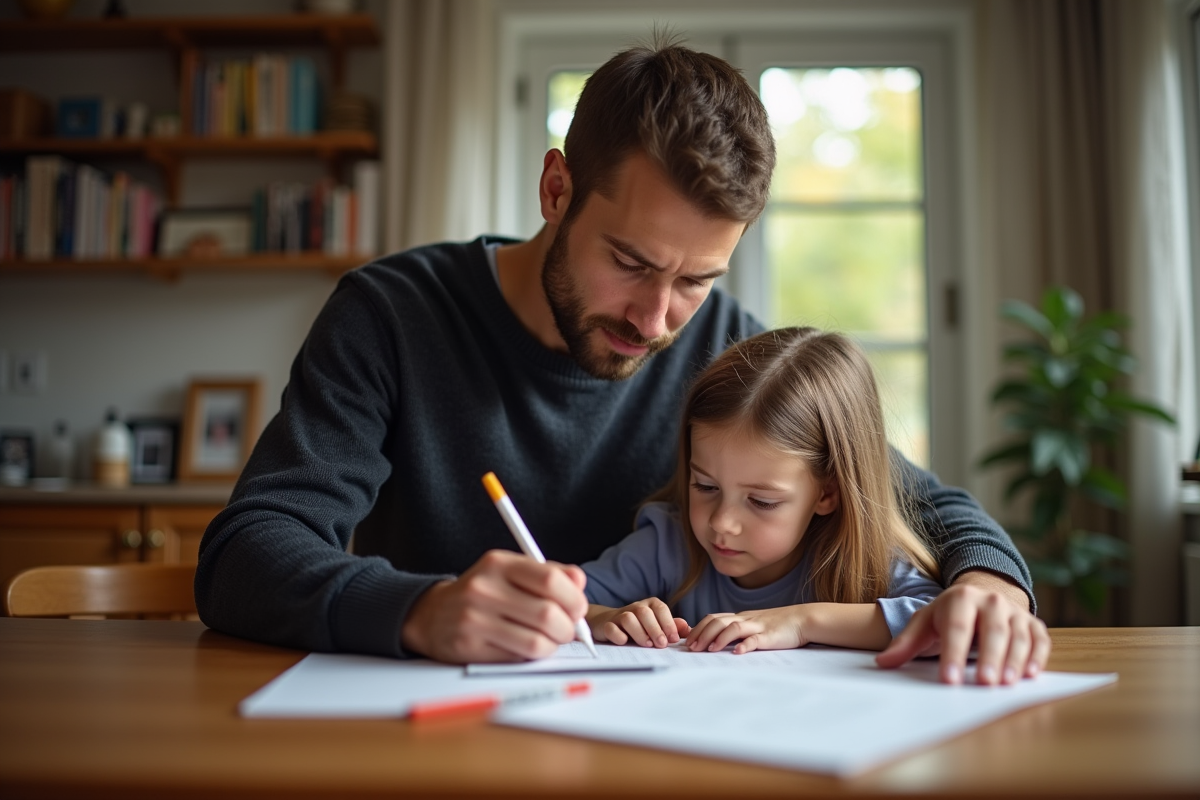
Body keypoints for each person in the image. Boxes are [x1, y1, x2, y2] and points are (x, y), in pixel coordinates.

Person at [195, 38, 1048, 686]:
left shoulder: (723, 350)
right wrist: (421, 610)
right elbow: (247, 553)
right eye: (633, 264)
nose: (655, 319)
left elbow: (926, 505)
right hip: (447, 732)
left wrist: (991, 586)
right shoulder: (392, 316)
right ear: (557, 190)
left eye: (697, 281)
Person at [583, 326, 951, 657]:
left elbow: (944, 622)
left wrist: (803, 621)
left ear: (828, 494)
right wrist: (605, 618)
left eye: (762, 501)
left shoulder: (866, 562)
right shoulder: (667, 546)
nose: (722, 523)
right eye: (705, 486)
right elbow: (562, 601)